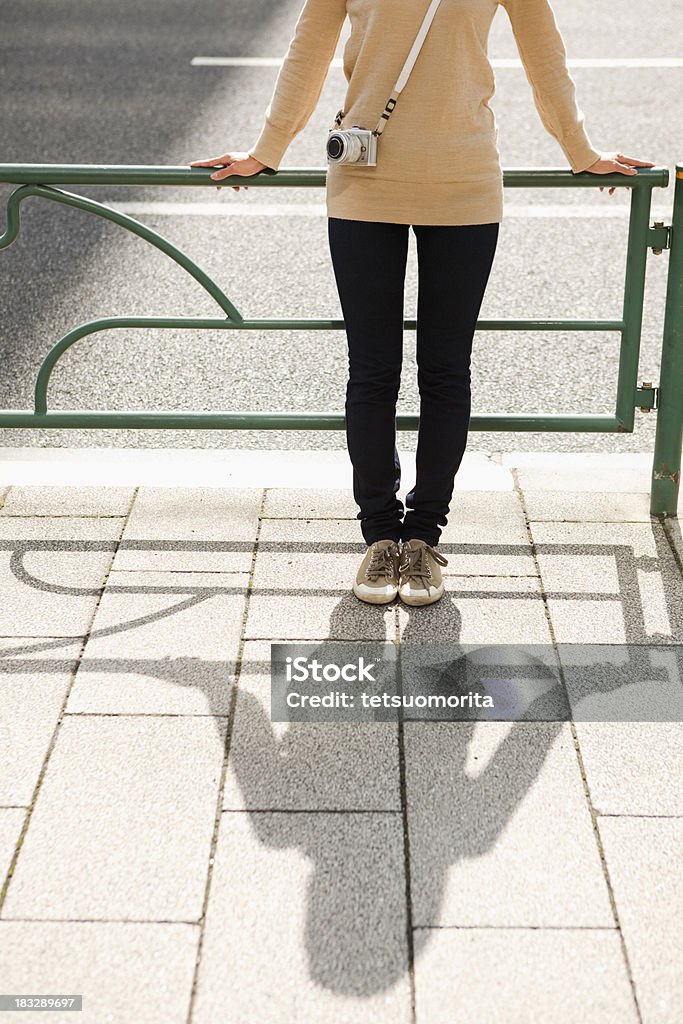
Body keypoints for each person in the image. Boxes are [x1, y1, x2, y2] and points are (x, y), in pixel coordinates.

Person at [191, 0, 654, 608]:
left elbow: (545, 54)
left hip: (464, 182)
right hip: (363, 182)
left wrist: (579, 149)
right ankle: (380, 536)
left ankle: (424, 537)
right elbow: (308, 50)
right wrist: (267, 149)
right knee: (373, 370)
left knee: (444, 369)